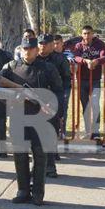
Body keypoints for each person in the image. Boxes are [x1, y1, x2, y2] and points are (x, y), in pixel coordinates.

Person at [0, 35, 63, 205]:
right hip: (18, 116)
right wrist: (14, 96)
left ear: (36, 49)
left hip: (41, 119)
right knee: (20, 155)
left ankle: (38, 193)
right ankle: (22, 190)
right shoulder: (11, 67)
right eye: (24, 49)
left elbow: (58, 91)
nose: (27, 52)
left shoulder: (47, 68)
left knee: (40, 156)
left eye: (30, 49)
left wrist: (51, 107)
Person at [37, 33, 71, 176]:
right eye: (40, 44)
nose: (42, 46)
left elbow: (66, 80)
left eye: (46, 43)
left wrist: (62, 101)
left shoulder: (60, 59)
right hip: (36, 101)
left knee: (52, 131)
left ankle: (50, 166)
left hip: (54, 98)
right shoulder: (34, 59)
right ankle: (40, 164)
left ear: (52, 45)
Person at [72, 25, 105, 139]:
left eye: (89, 33)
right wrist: (85, 60)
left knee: (95, 105)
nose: (87, 36)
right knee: (85, 106)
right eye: (84, 33)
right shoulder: (78, 45)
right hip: (82, 80)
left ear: (92, 34)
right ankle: (88, 132)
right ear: (82, 34)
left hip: (95, 80)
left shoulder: (100, 44)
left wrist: (96, 61)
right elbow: (76, 57)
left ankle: (96, 132)